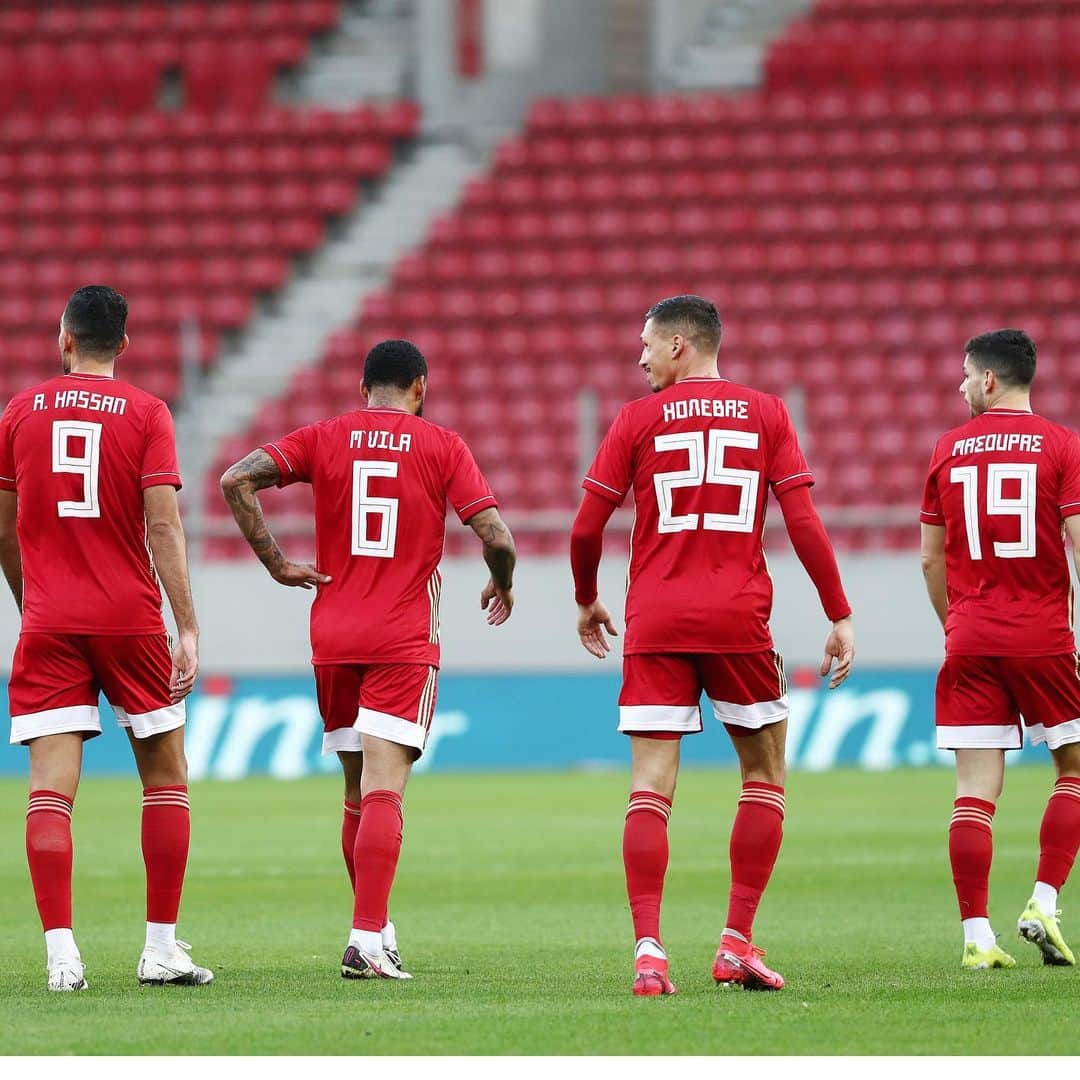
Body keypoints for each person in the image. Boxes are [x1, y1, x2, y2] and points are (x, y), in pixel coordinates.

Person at [569, 295, 854, 996]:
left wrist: (585, 598)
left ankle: (648, 953)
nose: (638, 357)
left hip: (657, 622)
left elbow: (584, 529)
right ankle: (734, 944)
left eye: (645, 344)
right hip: (737, 622)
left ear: (679, 347)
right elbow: (805, 523)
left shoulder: (635, 419)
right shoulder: (767, 413)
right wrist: (839, 613)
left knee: (649, 788)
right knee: (763, 775)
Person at [220, 338, 516, 980]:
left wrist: (277, 564)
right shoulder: (442, 446)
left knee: (356, 793)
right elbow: (495, 535)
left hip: (332, 633)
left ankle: (377, 927)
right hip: (402, 639)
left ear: (363, 390)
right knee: (387, 790)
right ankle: (365, 940)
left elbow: (235, 478)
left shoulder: (325, 436)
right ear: (421, 388)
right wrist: (504, 580)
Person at [0, 285, 208, 991]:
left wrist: (36, 606)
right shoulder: (148, 413)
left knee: (49, 792)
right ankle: (159, 949)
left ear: (63, 339)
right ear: (122, 345)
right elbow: (162, 525)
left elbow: (3, 528)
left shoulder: (18, 412)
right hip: (128, 617)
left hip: (50, 622)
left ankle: (62, 957)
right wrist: (185, 624)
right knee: (164, 776)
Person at [920, 328, 1080, 971]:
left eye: (965, 375)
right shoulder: (1061, 446)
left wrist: (954, 624)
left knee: (973, 793)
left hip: (971, 636)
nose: (960, 385)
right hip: (1043, 636)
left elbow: (932, 559)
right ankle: (1043, 901)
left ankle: (976, 937)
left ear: (989, 380)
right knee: (1072, 770)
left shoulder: (947, 450)